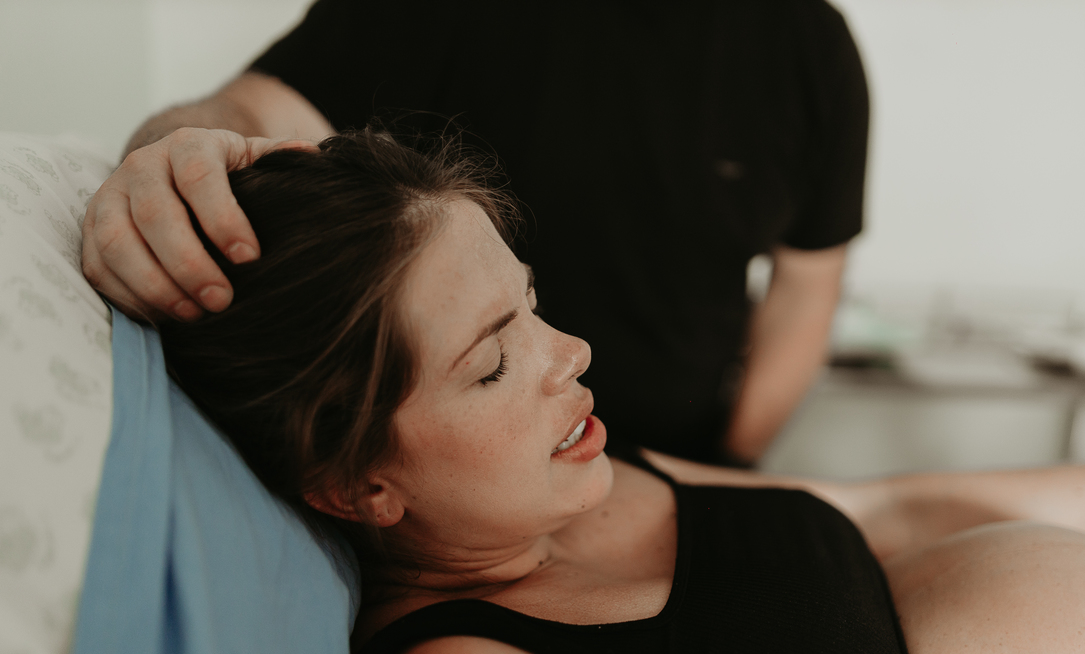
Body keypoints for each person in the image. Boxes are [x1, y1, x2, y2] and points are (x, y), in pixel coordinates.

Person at [147, 131, 1085, 654]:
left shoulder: (587, 477)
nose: (571, 353)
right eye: (494, 362)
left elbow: (894, 510)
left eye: (532, 304)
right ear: (356, 483)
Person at [81, 0, 869, 465]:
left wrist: (722, 464)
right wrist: (178, 155)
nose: (573, 351)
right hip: (468, 489)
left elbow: (806, 290)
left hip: (678, 460)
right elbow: (254, 116)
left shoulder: (808, 45)